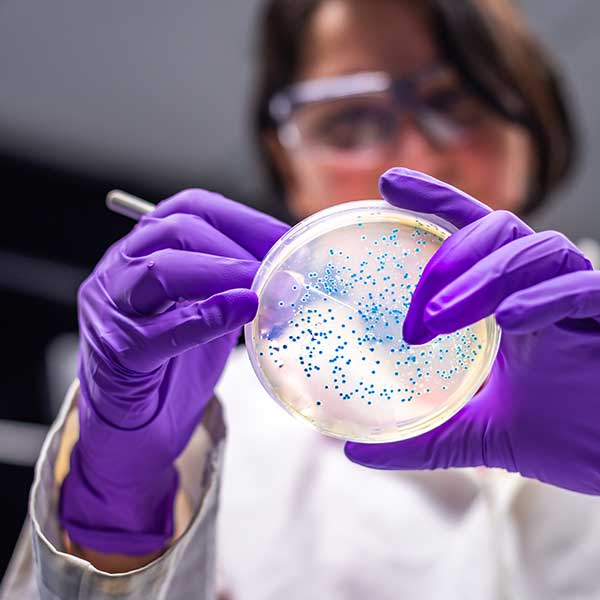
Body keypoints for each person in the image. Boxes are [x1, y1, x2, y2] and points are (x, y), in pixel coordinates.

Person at [2, 0, 600, 598]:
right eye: (348, 122)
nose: (416, 155)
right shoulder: (219, 412)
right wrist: (120, 502)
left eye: (458, 103)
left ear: (536, 128)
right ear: (288, 160)